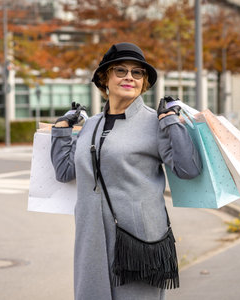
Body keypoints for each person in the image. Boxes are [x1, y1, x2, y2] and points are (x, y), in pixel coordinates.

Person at [50, 42, 202, 300]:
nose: (129, 77)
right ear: (104, 79)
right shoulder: (91, 125)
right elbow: (65, 172)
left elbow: (188, 169)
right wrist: (62, 128)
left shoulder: (156, 121)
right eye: (120, 70)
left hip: (138, 243)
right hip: (92, 239)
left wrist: (171, 121)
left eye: (137, 72)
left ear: (144, 83)